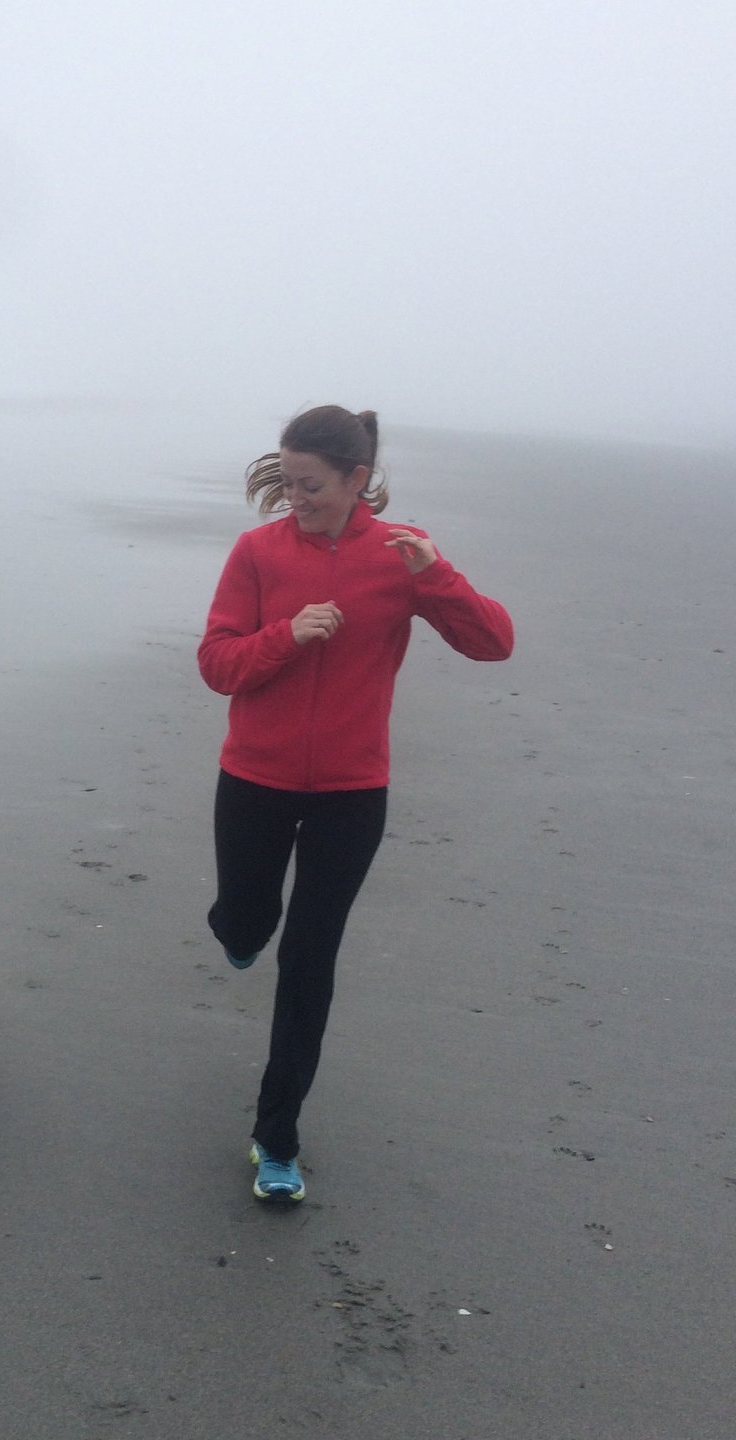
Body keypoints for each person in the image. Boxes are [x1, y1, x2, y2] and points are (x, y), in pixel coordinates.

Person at [198, 405, 514, 1202]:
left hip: (351, 792)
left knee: (309, 961)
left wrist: (433, 577)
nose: (293, 497)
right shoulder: (257, 553)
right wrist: (285, 636)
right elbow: (216, 663)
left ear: (356, 480)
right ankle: (240, 929)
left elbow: (493, 643)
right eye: (286, 480)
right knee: (246, 922)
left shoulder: (402, 556)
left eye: (309, 485)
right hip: (255, 780)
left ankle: (276, 1140)